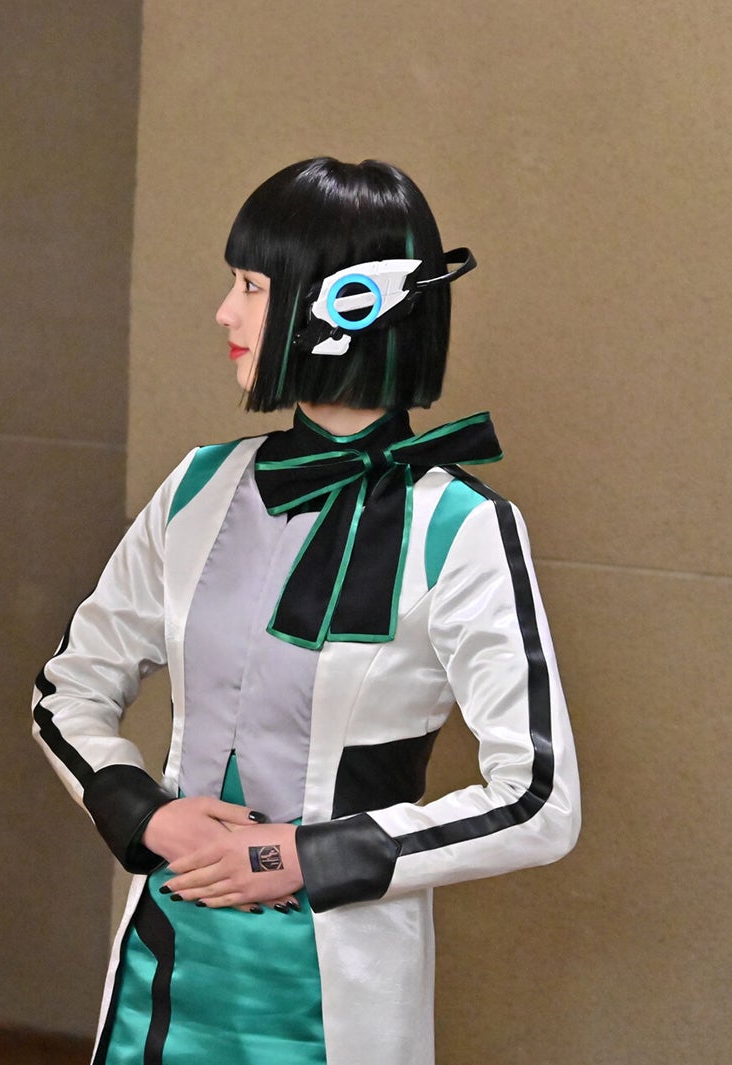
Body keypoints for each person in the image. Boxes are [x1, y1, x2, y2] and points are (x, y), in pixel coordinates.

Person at [32, 157, 580, 1065]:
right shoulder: (197, 486)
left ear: (351, 305)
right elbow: (67, 690)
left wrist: (302, 855)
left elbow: (539, 798)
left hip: (338, 991)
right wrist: (145, 812)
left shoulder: (461, 526)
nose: (225, 311)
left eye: (251, 285)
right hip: (163, 968)